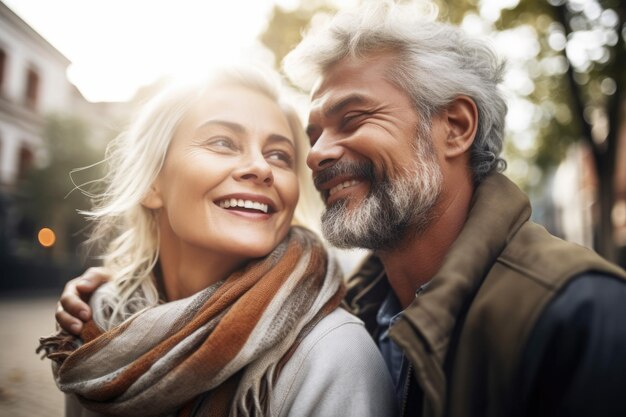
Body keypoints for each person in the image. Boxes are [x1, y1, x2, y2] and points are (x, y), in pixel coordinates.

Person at [55, 2, 626, 417]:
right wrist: (129, 302)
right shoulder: (350, 303)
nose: (318, 153)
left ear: (455, 127)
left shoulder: (582, 315)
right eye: (314, 132)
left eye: (354, 120)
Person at [38, 65, 397, 417]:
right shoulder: (96, 333)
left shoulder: (333, 354)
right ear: (152, 183)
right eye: (223, 142)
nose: (261, 167)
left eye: (279, 155)